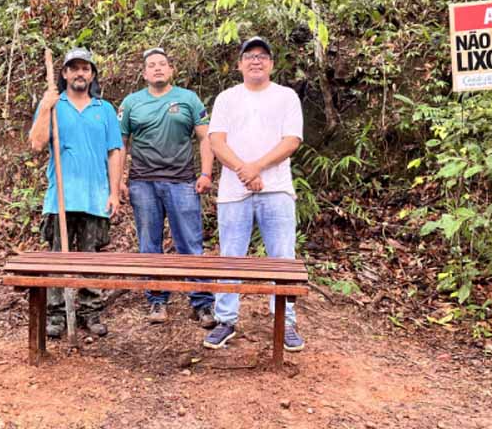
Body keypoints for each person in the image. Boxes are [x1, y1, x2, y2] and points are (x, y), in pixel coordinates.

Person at [203, 36, 305, 352]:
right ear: (239, 65)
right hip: (234, 192)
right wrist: (243, 170)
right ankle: (225, 320)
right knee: (230, 257)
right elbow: (216, 141)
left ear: (271, 64)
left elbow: (292, 140)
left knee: (282, 257)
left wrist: (256, 167)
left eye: (262, 56)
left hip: (277, 189)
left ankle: (285, 322)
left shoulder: (286, 97)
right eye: (249, 56)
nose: (256, 61)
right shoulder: (227, 98)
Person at [119, 47, 217, 328]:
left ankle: (201, 302)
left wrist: (206, 173)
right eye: (152, 65)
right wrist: (119, 181)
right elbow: (120, 144)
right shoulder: (131, 103)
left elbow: (205, 138)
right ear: (144, 73)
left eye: (162, 64)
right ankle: (157, 299)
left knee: (190, 243)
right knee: (149, 244)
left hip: (182, 181)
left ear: (171, 69)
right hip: (143, 182)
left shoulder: (188, 99)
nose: (157, 68)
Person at [29, 47, 123, 338]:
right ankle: (57, 314)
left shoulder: (104, 109)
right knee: (59, 257)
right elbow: (36, 144)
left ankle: (90, 311)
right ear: (65, 74)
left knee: (91, 257)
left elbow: (115, 151)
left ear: (92, 75)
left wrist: (115, 192)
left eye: (85, 68)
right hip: (62, 197)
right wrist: (46, 107)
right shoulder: (54, 105)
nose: (80, 73)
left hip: (96, 197)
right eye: (74, 68)